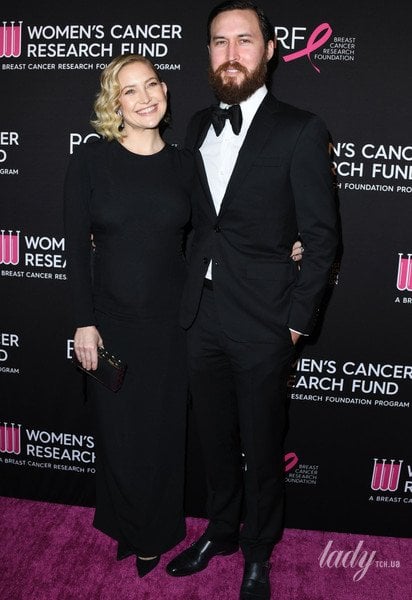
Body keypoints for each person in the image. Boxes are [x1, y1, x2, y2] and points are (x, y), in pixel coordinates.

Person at [166, 2, 338, 599]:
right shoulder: (194, 126)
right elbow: (192, 221)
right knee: (214, 438)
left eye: (244, 40)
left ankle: (258, 550)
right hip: (200, 313)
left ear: (269, 50)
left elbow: (322, 238)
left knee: (262, 445)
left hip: (265, 319)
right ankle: (221, 530)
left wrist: (295, 321)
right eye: (220, 42)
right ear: (208, 53)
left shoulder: (300, 128)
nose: (231, 53)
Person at [64, 54, 191, 577]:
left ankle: (154, 533)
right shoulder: (91, 160)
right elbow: (76, 247)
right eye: (129, 90)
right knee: (119, 436)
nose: (144, 98)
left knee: (163, 436)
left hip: (172, 326)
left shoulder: (186, 164)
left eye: (151, 84)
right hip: (110, 324)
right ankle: (128, 523)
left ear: (165, 91)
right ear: (114, 104)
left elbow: (214, 234)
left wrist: (285, 246)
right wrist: (83, 320)